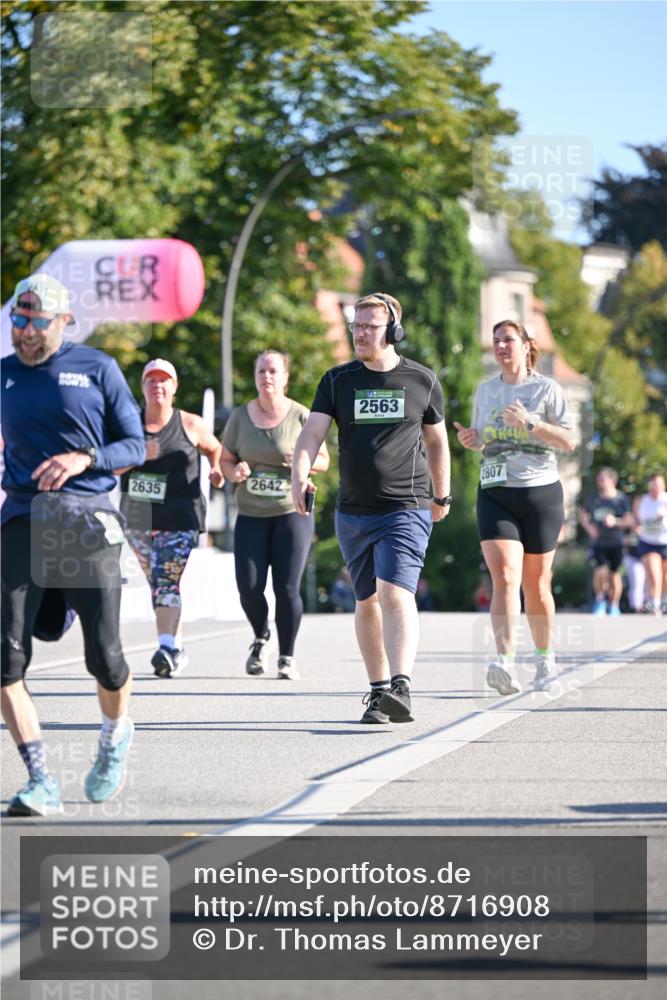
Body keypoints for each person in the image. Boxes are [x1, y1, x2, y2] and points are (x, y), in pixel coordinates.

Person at [1, 273, 145, 816]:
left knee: (105, 657)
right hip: (22, 517)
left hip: (86, 520)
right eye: (18, 319)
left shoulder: (97, 367)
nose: (25, 331)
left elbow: (135, 444)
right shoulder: (4, 374)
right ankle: (41, 779)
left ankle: (114, 735)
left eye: (37, 322)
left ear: (64, 321)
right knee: (6, 660)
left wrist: (86, 458)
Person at [292, 292, 451, 724]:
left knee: (394, 592)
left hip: (406, 505)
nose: (360, 333)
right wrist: (299, 474)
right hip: (353, 511)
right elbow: (311, 434)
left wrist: (442, 495)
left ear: (393, 331)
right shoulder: (337, 380)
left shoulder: (421, 380)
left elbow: (437, 442)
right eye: (356, 326)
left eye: (369, 326)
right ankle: (380, 693)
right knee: (365, 601)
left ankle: (402, 686)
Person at [454, 319, 575, 695]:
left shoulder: (547, 389)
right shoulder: (486, 390)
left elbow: (568, 441)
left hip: (540, 494)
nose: (501, 346)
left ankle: (544, 659)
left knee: (536, 585)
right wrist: (472, 439)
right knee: (505, 576)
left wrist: (530, 423)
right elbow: (483, 439)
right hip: (495, 491)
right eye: (496, 341)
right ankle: (503, 662)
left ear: (525, 346)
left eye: (508, 340)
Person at [221, 350, 329, 679]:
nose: (266, 377)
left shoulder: (300, 416)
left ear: (285, 378)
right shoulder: (240, 417)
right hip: (251, 513)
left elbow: (324, 460)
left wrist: (300, 461)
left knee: (287, 588)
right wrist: (235, 471)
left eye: (272, 371)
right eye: (261, 371)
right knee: (249, 587)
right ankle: (261, 636)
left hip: (291, 512)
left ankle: (286, 656)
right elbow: (225, 460)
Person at [119, 359, 224, 677]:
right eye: (151, 380)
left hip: (180, 518)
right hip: (137, 519)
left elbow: (215, 449)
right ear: (143, 387)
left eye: (164, 380)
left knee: (165, 580)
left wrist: (216, 469)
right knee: (158, 583)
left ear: (174, 387)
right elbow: (111, 466)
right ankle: (175, 647)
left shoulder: (190, 424)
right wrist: (139, 453)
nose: (158, 386)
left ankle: (167, 649)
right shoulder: (127, 424)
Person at [578, 467, 633, 616]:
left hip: (616, 542)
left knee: (614, 574)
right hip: (599, 543)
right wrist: (590, 528)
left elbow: (629, 520)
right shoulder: (593, 498)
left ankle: (614, 605)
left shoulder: (621, 499)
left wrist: (615, 521)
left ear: (612, 481)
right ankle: (600, 600)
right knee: (600, 571)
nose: (600, 481)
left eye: (603, 478)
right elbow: (582, 515)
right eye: (599, 478)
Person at [633, 472, 667, 615]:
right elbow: (635, 520)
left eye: (658, 485)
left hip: (665, 541)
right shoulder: (641, 500)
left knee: (665, 575)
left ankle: (664, 600)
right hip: (648, 542)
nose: (655, 488)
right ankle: (655, 603)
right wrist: (637, 528)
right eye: (653, 485)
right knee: (654, 572)